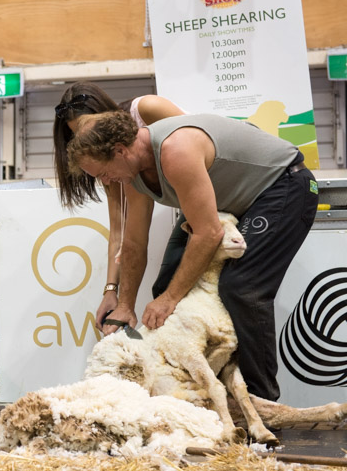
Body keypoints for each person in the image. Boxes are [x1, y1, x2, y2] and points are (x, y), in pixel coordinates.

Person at [66, 110, 318, 400]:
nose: (105, 181)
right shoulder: (130, 173)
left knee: (241, 287)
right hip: (236, 200)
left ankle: (261, 401)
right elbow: (134, 243)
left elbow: (208, 233)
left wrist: (170, 299)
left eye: (102, 173)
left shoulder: (175, 150)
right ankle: (197, 392)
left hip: (284, 185)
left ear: (120, 150)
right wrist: (125, 305)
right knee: (164, 287)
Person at [53, 82, 185, 327]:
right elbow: (121, 231)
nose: (85, 139)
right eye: (76, 136)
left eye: (87, 129)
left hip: (217, 202)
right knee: (166, 287)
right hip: (190, 214)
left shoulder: (147, 109)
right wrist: (111, 290)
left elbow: (201, 144)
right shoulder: (114, 165)